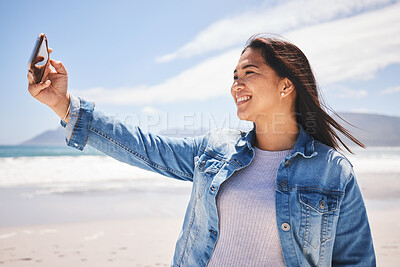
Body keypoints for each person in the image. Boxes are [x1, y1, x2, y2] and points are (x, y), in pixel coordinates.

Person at [27, 34, 376, 266]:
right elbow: (145, 147)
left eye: (248, 73)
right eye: (234, 76)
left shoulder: (333, 173)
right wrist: (64, 105)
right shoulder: (216, 150)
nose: (236, 84)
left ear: (286, 84)